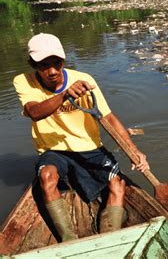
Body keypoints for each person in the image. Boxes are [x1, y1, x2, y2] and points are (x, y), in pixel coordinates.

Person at [13, 33, 149, 242]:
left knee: (117, 184)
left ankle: (109, 236)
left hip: (89, 147)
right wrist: (65, 95)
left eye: (56, 63)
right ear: (33, 64)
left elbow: (108, 117)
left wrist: (133, 150)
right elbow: (34, 112)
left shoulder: (84, 81)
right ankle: (69, 241)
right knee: (47, 178)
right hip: (54, 150)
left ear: (63, 60)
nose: (51, 71)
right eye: (43, 65)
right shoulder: (23, 81)